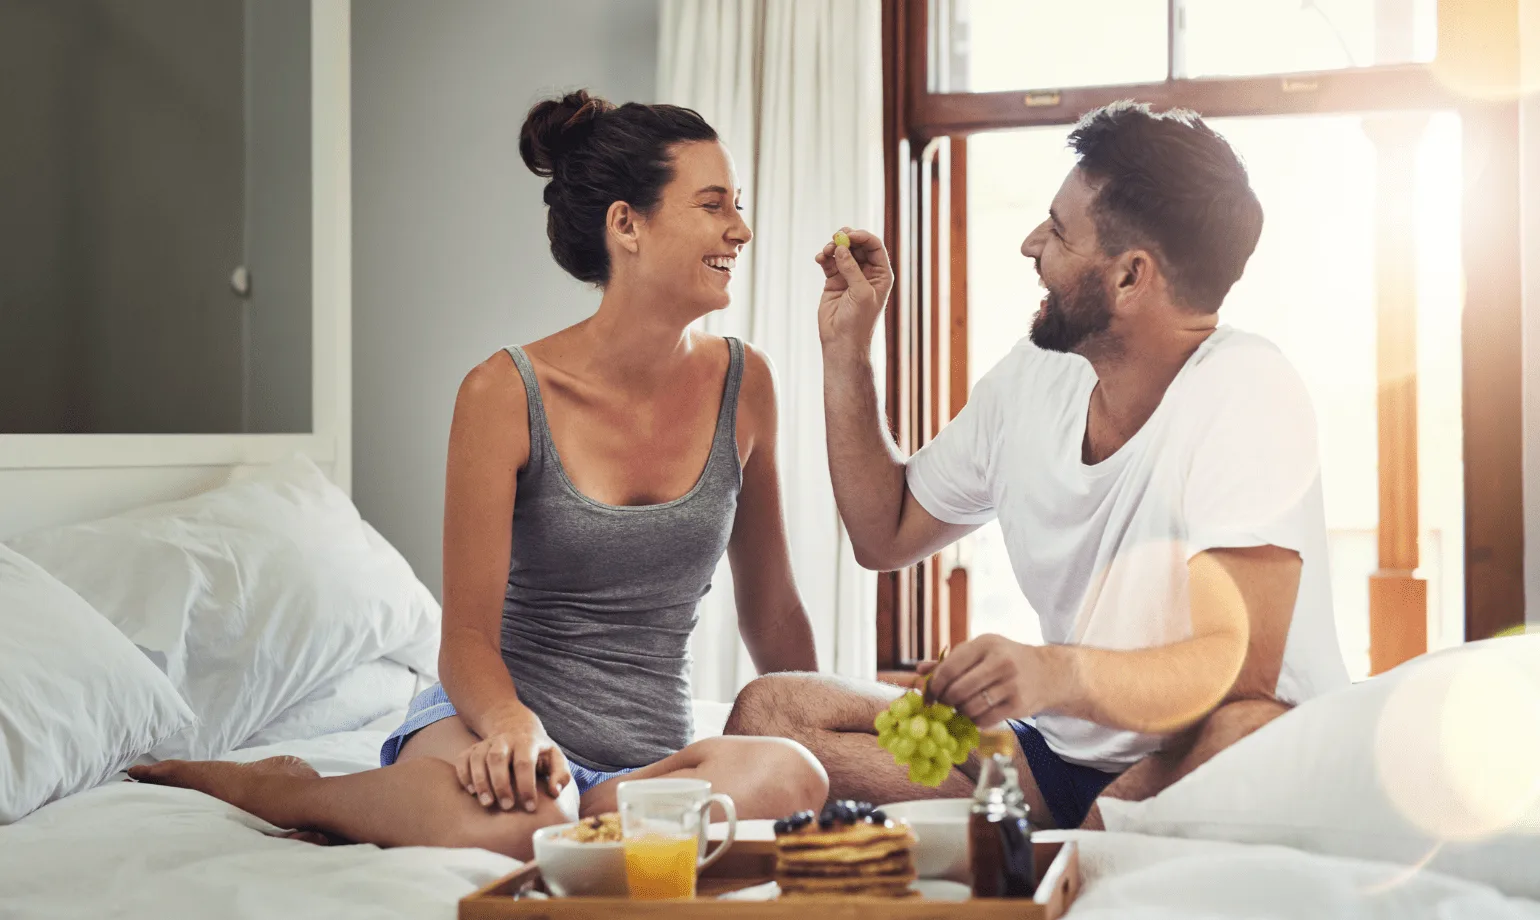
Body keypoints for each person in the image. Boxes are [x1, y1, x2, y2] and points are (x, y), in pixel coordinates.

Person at [130, 91, 828, 859]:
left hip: (643, 764)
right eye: (713, 205)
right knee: (530, 818)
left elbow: (773, 610)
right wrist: (511, 725)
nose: (741, 228)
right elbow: (463, 635)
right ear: (626, 224)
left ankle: (578, 821)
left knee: (795, 774)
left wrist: (820, 717)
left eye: (739, 204)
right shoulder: (504, 393)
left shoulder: (744, 383)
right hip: (493, 732)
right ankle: (295, 790)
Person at [725, 101, 1349, 831]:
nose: (1031, 245)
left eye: (1057, 231)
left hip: (1202, 756)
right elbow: (885, 530)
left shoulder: (1247, 390)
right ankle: (1068, 846)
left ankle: (1082, 853)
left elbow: (1237, 674)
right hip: (1054, 759)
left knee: (1251, 729)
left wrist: (1050, 672)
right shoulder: (1035, 377)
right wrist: (848, 352)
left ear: (1129, 277)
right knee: (775, 711)